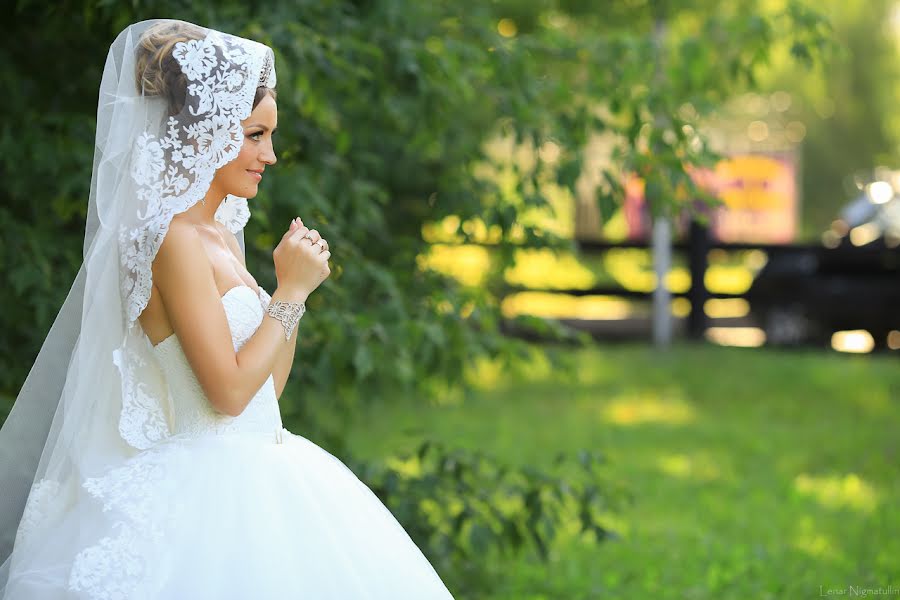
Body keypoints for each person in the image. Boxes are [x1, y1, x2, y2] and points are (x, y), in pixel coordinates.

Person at [0, 19, 455, 599]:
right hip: (206, 485)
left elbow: (267, 394)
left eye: (269, 136)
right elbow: (228, 395)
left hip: (266, 464)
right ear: (204, 133)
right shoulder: (173, 240)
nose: (269, 154)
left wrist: (294, 295)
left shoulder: (217, 237)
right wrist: (288, 292)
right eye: (254, 135)